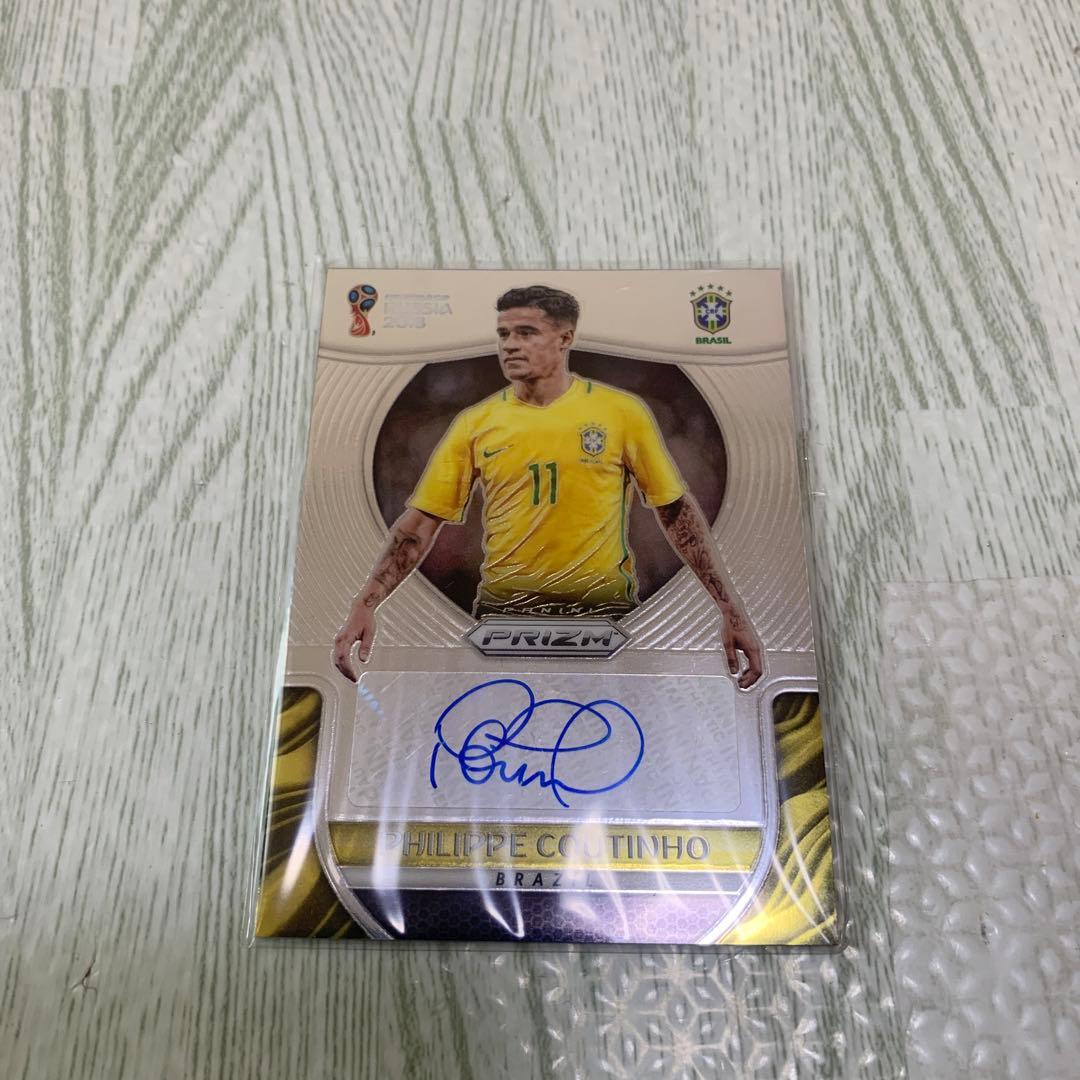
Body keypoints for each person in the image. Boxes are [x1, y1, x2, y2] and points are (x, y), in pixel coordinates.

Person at [334, 285, 763, 687]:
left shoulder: (621, 412)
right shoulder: (476, 424)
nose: (509, 345)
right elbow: (416, 528)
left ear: (565, 338)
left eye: (526, 332)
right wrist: (365, 605)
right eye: (504, 334)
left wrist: (730, 609)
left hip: (604, 614)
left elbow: (676, 513)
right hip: (505, 615)